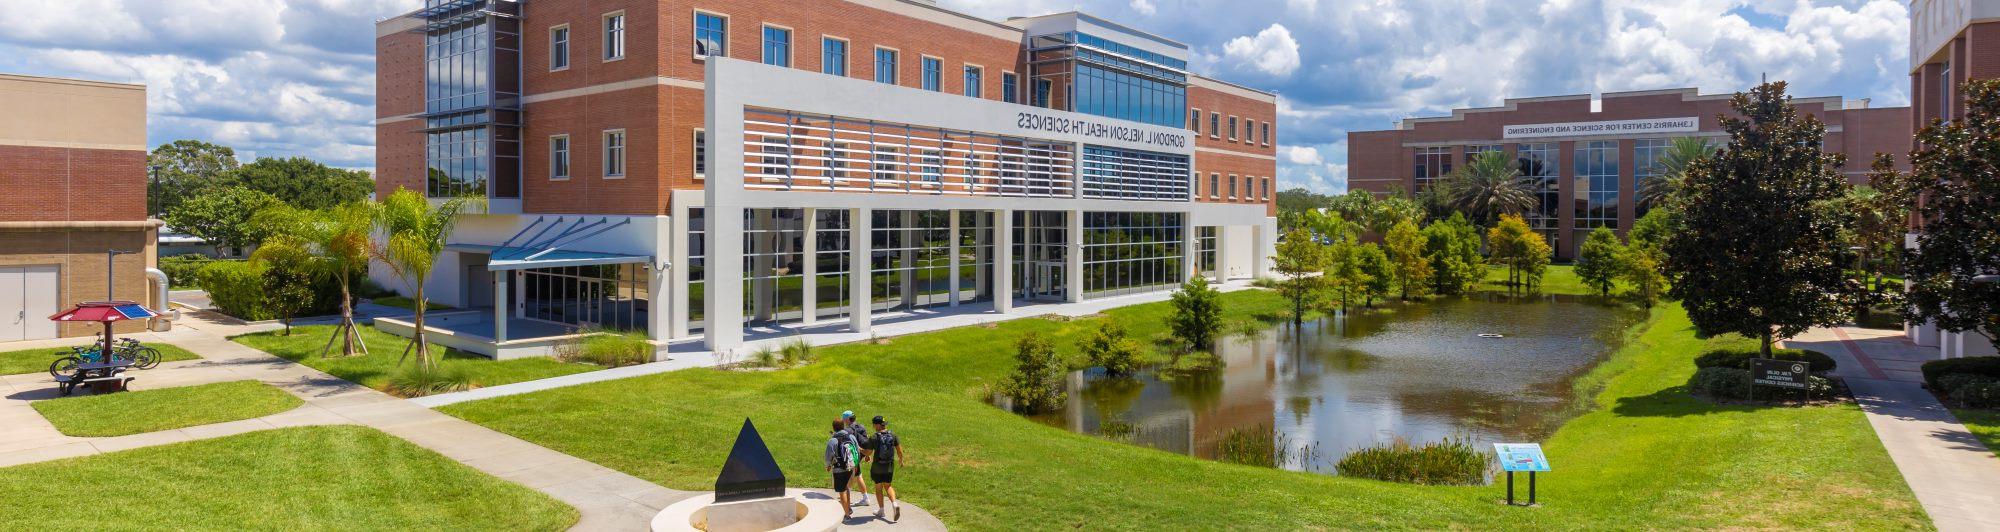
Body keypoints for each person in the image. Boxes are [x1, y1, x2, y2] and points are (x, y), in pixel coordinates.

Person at [865, 415, 904, 520]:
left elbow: (868, 452)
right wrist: (901, 460)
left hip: (877, 467)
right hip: (889, 466)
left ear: (877, 425)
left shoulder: (874, 437)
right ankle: (894, 504)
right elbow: (899, 451)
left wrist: (860, 449)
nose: (873, 426)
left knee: (878, 488)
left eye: (873, 424)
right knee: (888, 486)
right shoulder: (893, 435)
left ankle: (881, 510)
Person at [824, 419, 859, 519]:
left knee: (842, 491)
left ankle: (847, 515)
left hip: (839, 469)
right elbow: (856, 451)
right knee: (847, 488)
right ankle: (848, 508)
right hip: (850, 467)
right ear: (843, 426)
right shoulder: (851, 437)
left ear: (834, 428)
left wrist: (828, 465)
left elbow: (828, 456)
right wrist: (855, 465)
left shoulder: (832, 440)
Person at [840, 411, 870, 506]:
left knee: (854, 474)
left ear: (847, 419)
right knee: (856, 474)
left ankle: (863, 498)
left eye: (844, 419)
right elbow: (866, 440)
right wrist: (867, 454)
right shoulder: (861, 426)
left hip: (854, 455)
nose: (843, 421)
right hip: (862, 453)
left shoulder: (848, 430)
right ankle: (851, 494)